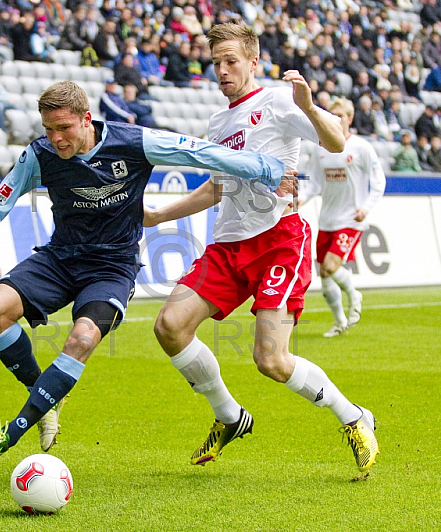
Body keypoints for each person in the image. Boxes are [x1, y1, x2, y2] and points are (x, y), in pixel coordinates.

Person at [0, 80, 293, 460]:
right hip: (59, 258)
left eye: (64, 128)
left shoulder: (133, 142)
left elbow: (202, 154)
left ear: (86, 119)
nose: (56, 138)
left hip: (112, 266)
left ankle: (9, 434)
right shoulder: (39, 155)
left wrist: (264, 168)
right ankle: (46, 402)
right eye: (49, 129)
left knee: (80, 339)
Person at [144, 23, 378, 473]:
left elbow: (336, 140)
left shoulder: (277, 100)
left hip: (278, 242)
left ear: (253, 61)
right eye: (216, 62)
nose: (222, 70)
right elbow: (216, 189)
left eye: (231, 60)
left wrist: (309, 107)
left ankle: (355, 417)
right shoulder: (217, 122)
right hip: (228, 247)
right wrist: (157, 216)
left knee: (270, 360)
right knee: (170, 325)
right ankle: (229, 416)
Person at [301, 97, 386, 337]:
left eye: (340, 116)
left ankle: (354, 294)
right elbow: (314, 183)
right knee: (325, 272)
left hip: (351, 219)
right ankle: (339, 322)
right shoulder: (321, 148)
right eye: (332, 115)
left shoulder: (362, 148)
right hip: (327, 218)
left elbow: (379, 182)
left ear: (349, 118)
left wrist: (366, 207)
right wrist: (302, 198)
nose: (336, 120)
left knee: (330, 265)